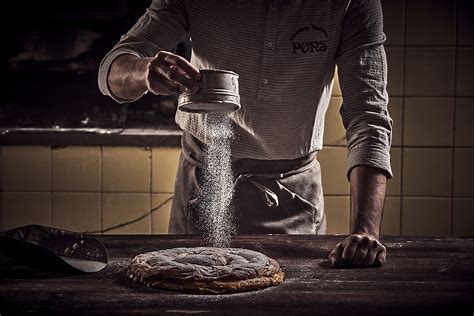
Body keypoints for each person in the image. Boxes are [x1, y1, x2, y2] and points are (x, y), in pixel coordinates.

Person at [98, 0, 392, 268]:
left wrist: (365, 231)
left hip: (293, 196)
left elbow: (368, 117)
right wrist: (143, 70)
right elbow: (112, 69)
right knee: (190, 289)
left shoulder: (353, 4)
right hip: (205, 184)